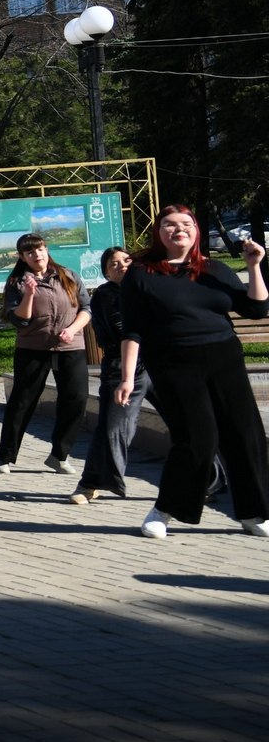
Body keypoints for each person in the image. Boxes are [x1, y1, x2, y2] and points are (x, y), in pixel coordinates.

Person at [118, 210, 269, 539]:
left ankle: (254, 512)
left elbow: (256, 310)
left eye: (186, 224)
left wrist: (255, 266)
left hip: (224, 358)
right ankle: (165, 510)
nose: (178, 230)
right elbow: (133, 330)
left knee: (246, 435)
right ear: (159, 232)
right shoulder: (141, 274)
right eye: (170, 225)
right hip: (174, 364)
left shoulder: (213, 269)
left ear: (196, 231)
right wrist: (128, 378)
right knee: (198, 439)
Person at [0, 234, 91, 476]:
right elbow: (20, 320)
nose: (37, 255)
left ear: (47, 250)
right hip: (32, 349)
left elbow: (87, 308)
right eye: (30, 252)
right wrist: (28, 294)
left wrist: (72, 329)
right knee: (22, 403)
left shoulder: (68, 275)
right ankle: (5, 456)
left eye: (41, 249)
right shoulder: (17, 282)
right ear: (22, 257)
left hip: (70, 347)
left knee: (76, 399)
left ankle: (60, 456)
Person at [72, 248, 141, 504]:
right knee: (110, 426)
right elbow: (122, 329)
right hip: (119, 364)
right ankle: (89, 484)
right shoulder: (104, 295)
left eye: (126, 260)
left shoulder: (148, 288)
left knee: (186, 421)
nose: (122, 265)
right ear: (106, 272)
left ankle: (210, 484)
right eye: (114, 264)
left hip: (158, 362)